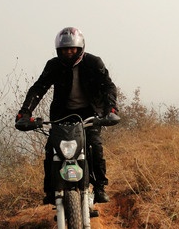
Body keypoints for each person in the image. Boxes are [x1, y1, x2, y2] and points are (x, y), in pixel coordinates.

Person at [15, 27, 118, 206]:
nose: (68, 52)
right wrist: (25, 113)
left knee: (94, 146)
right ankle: (51, 191)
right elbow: (39, 88)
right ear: (58, 50)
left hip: (90, 113)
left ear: (80, 48)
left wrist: (111, 110)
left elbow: (108, 86)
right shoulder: (54, 65)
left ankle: (100, 187)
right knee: (51, 151)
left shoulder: (94, 63)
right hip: (62, 115)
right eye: (64, 49)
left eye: (72, 49)